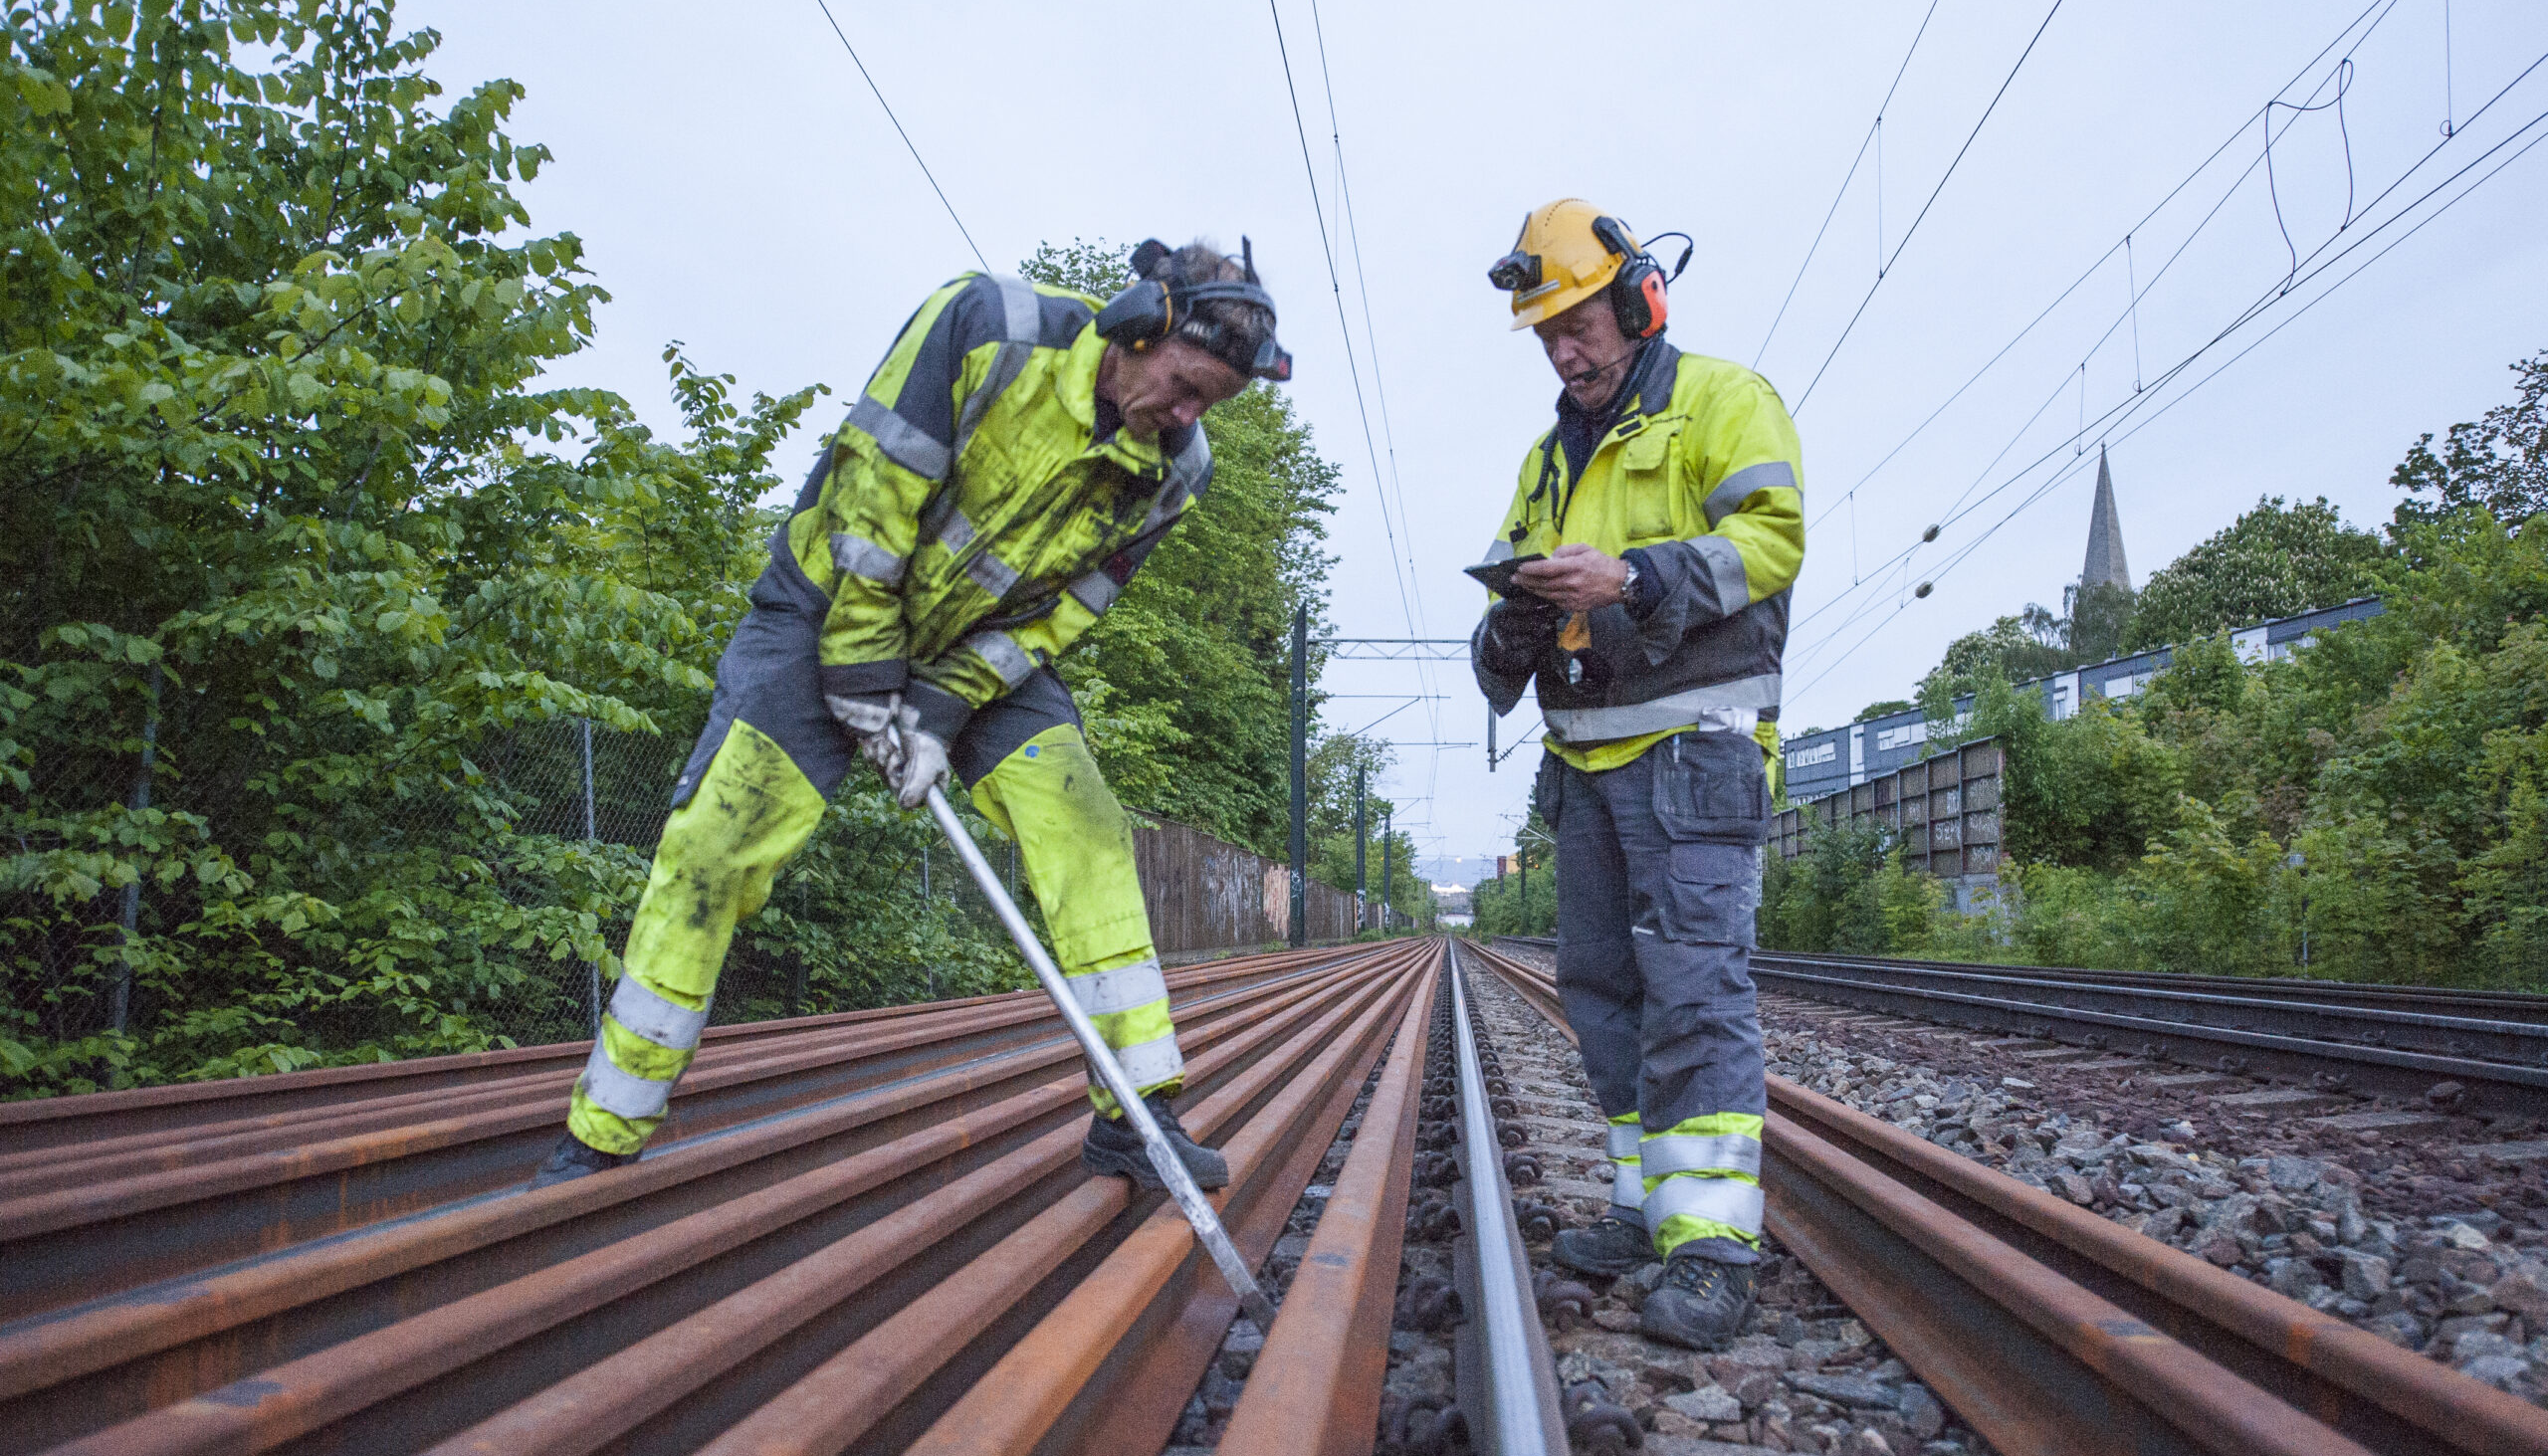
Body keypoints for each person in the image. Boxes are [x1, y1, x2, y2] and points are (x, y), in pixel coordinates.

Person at [532, 238, 1291, 1192]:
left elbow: (1068, 610)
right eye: (1184, 387)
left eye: (1209, 405)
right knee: (718, 845)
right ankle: (605, 1133)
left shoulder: (1177, 470)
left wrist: (937, 706)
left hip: (980, 656)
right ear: (1137, 331)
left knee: (1088, 832)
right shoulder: (986, 331)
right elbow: (873, 501)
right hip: (825, 615)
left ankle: (1138, 1118)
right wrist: (859, 666)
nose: (1187, 418)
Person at [1470, 199, 1805, 1348]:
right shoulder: (1543, 457)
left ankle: (1710, 1244)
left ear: (1635, 301)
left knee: (1696, 995)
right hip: (1587, 767)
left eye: (1579, 322)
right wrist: (1511, 628)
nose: (1566, 349)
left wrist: (1635, 579)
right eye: (1547, 333)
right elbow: (1511, 604)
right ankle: (1641, 1203)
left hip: (1694, 755)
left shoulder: (1723, 400)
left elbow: (1771, 540)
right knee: (1602, 992)